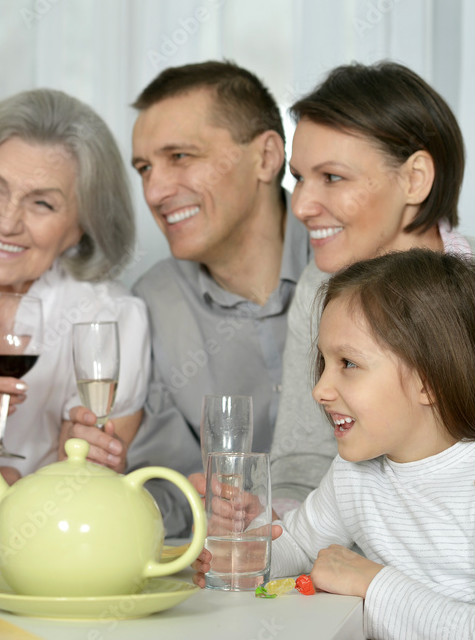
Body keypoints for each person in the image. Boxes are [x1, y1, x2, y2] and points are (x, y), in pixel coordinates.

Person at [193, 249, 475, 639]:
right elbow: (298, 546)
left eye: (349, 364)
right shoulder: (354, 475)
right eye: (324, 363)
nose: (320, 389)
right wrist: (245, 548)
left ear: (428, 380)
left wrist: (373, 582)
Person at [0, 88, 150, 520]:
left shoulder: (110, 318)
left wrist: (38, 494)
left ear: (83, 225)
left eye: (42, 203)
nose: (6, 221)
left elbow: (81, 506)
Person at [269, 61, 471, 510]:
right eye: (298, 178)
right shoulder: (319, 288)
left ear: (414, 178)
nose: (301, 205)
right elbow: (302, 458)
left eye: (332, 177)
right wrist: (270, 516)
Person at [121, 61, 310, 536]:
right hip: (235, 580)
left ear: (267, 157)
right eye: (144, 168)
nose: (156, 190)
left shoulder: (353, 265)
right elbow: (175, 497)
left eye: (181, 157)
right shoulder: (152, 303)